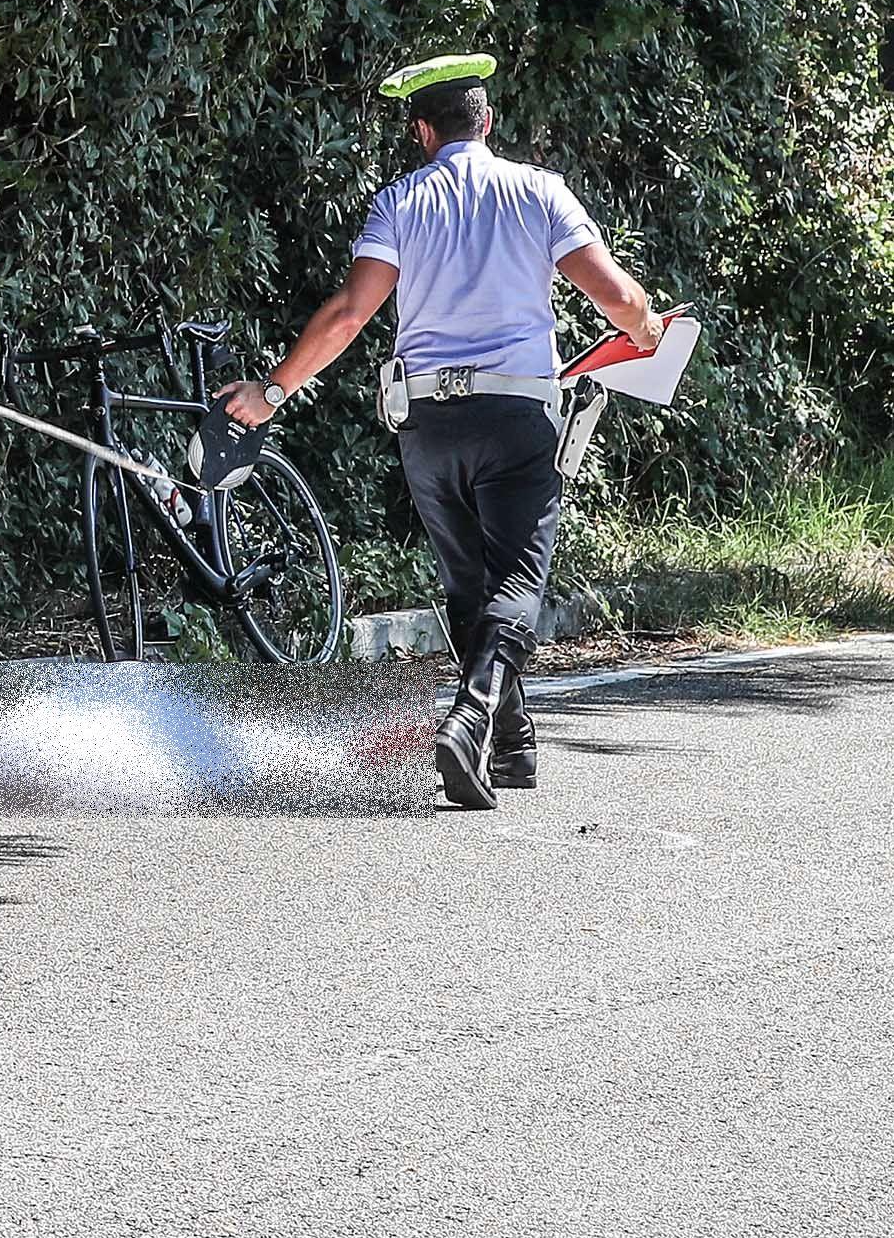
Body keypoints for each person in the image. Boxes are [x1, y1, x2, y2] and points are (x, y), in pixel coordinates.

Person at [219, 53, 662, 809]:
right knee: (519, 582)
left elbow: (351, 314)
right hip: (517, 416)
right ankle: (470, 718)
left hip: (427, 423)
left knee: (467, 585)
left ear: (424, 131)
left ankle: (512, 744)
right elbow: (617, 298)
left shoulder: (399, 201)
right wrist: (648, 323)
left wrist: (271, 389)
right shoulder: (538, 192)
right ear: (486, 121)